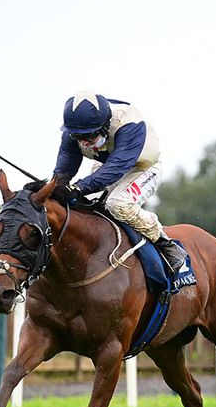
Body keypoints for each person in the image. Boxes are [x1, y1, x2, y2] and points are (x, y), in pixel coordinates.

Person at [51, 91, 187, 275]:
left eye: (89, 136)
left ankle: (166, 245)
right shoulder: (73, 130)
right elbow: (64, 168)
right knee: (83, 207)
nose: (83, 143)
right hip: (107, 166)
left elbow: (117, 167)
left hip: (142, 168)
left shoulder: (128, 123)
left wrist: (78, 188)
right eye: (77, 137)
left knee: (118, 204)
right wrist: (55, 188)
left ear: (105, 125)